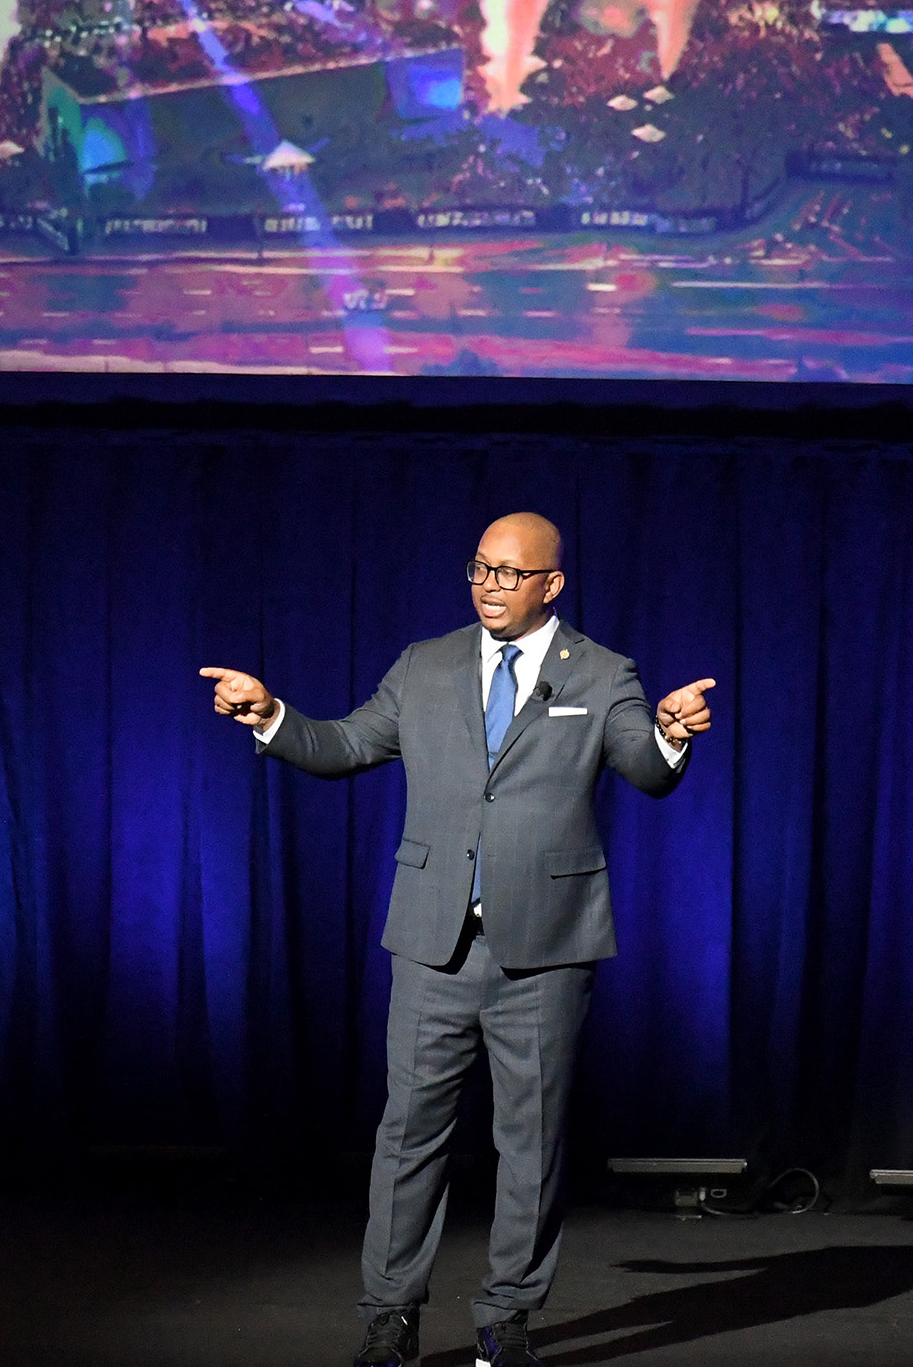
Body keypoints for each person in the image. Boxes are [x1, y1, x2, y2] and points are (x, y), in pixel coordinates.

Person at [202, 513, 717, 1367]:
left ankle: (506, 1318)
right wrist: (273, 714)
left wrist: (669, 730)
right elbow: (346, 743)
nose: (489, 585)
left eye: (510, 573)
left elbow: (643, 765)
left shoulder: (600, 671)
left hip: (546, 947)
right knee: (407, 1135)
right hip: (432, 940)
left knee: (532, 1144)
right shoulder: (426, 663)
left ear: (552, 583)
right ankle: (390, 1315)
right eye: (480, 568)